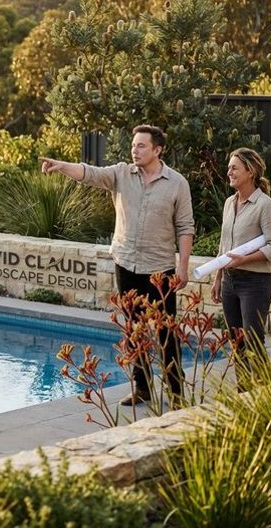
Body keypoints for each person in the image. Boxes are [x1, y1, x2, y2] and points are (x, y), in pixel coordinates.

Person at [41, 125, 194, 407]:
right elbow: (90, 174)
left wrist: (182, 267)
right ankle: (143, 388)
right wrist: (61, 165)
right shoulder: (122, 174)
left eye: (141, 146)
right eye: (134, 145)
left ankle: (176, 393)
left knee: (166, 334)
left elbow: (185, 227)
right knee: (133, 331)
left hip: (160, 269)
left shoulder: (177, 183)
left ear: (157, 150)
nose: (134, 150)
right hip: (125, 264)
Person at [211, 147, 271, 388]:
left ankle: (267, 393)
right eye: (229, 167)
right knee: (237, 340)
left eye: (234, 168)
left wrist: (245, 259)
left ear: (250, 172)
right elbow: (224, 245)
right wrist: (218, 278)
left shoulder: (265, 205)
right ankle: (244, 389)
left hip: (254, 282)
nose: (229, 172)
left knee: (253, 339)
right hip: (230, 282)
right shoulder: (229, 203)